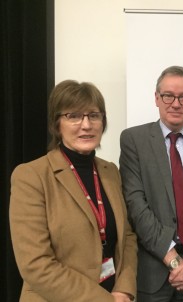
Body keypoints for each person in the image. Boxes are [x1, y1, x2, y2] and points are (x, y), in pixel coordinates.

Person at [9, 80, 137, 302]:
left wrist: (124, 289)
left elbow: (126, 236)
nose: (86, 125)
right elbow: (36, 264)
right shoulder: (31, 176)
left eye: (94, 115)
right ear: (57, 124)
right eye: (74, 116)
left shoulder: (110, 172)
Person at [119, 65, 183, 302]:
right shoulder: (133, 140)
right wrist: (175, 261)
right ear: (157, 98)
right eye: (168, 95)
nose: (176, 104)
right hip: (153, 273)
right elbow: (135, 203)